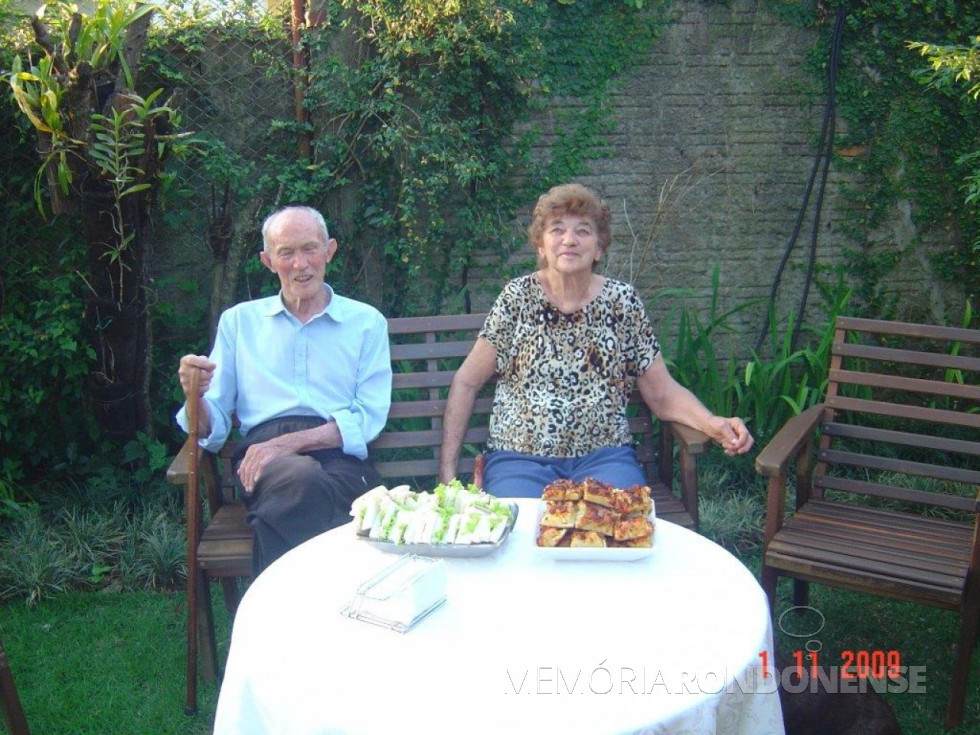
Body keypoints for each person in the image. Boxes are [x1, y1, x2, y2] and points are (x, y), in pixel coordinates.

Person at [438, 183, 753, 497]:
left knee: (621, 526)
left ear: (600, 247)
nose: (569, 240)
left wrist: (712, 423)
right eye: (557, 229)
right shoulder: (516, 298)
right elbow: (466, 382)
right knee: (522, 531)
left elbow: (662, 392)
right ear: (541, 246)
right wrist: (447, 474)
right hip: (520, 459)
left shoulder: (623, 302)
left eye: (583, 231)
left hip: (604, 457)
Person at [176, 205, 392, 575]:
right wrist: (195, 394)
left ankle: (281, 619)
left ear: (330, 251)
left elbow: (369, 416)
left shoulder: (366, 323)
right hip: (265, 463)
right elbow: (211, 427)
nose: (300, 264)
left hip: (339, 457)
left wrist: (289, 444)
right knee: (299, 479)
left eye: (310, 249)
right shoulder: (240, 322)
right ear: (267, 260)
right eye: (286, 252)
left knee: (300, 488)